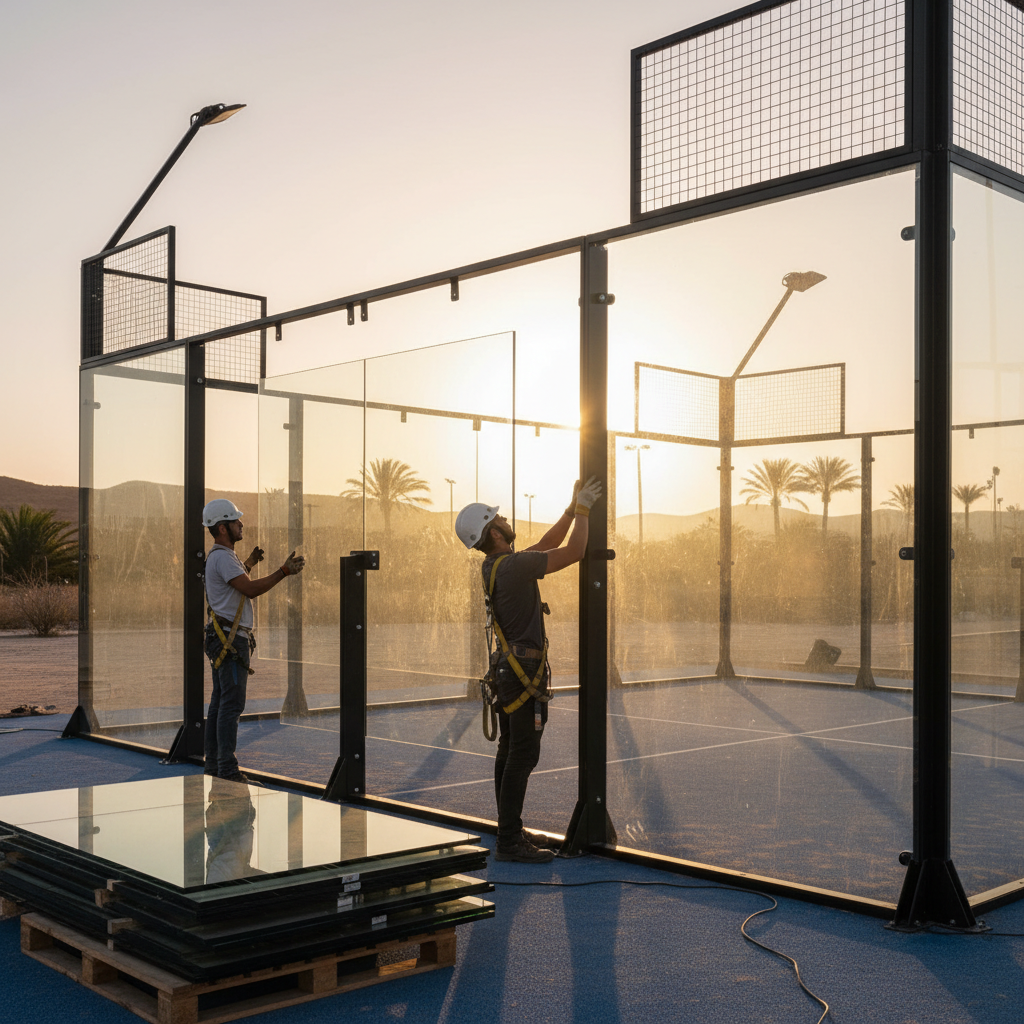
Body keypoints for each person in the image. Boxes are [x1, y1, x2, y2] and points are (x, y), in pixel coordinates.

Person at [455, 476, 602, 863]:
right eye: (498, 518)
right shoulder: (514, 566)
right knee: (523, 754)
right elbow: (573, 552)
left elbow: (546, 547)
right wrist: (585, 509)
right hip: (523, 670)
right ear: (495, 531)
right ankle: (508, 840)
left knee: (510, 749)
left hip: (508, 670)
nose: (505, 519)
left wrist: (572, 509)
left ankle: (509, 831)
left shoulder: (497, 565)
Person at [202, 498, 305, 783]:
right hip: (230, 641)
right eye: (236, 521)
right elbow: (248, 589)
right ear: (222, 528)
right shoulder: (222, 557)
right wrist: (283, 571)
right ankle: (226, 769)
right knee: (230, 705)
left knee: (220, 702)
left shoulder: (220, 556)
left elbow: (234, 583)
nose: (241, 524)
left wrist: (248, 562)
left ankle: (214, 764)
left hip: (221, 637)